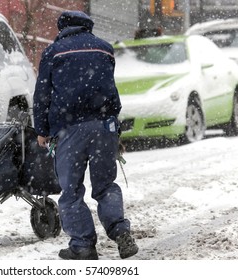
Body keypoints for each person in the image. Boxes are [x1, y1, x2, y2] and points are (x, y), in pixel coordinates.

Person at [33, 10, 138, 260]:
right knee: (105, 185)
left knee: (71, 191)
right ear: (87, 27)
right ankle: (120, 231)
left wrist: (41, 130)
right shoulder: (104, 49)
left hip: (69, 129)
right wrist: (115, 129)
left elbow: (42, 95)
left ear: (63, 28)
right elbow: (110, 91)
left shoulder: (54, 51)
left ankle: (82, 245)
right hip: (104, 126)